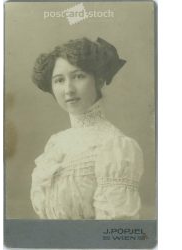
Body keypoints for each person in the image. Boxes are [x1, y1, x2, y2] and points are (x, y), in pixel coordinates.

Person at [30, 37, 144, 219]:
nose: (68, 89)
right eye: (59, 80)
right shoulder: (56, 143)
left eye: (78, 76)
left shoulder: (115, 146)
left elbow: (114, 232)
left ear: (99, 80)